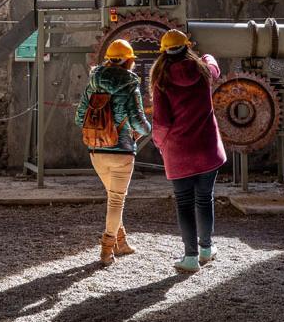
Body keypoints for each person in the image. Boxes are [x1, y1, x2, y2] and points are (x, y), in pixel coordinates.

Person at [149, 29, 225, 274]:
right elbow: (214, 65)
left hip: (179, 153)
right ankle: (206, 249)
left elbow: (161, 123)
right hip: (207, 150)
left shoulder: (161, 80)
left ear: (164, 53)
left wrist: (161, 144)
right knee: (205, 199)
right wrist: (207, 56)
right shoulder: (203, 72)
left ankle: (190, 257)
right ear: (187, 47)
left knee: (184, 203)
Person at [74, 38, 151, 267]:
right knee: (116, 201)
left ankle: (122, 241)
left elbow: (79, 117)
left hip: (96, 150)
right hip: (122, 152)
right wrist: (149, 129)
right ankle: (107, 249)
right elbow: (139, 123)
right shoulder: (130, 86)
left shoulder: (94, 82)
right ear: (129, 61)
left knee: (113, 197)